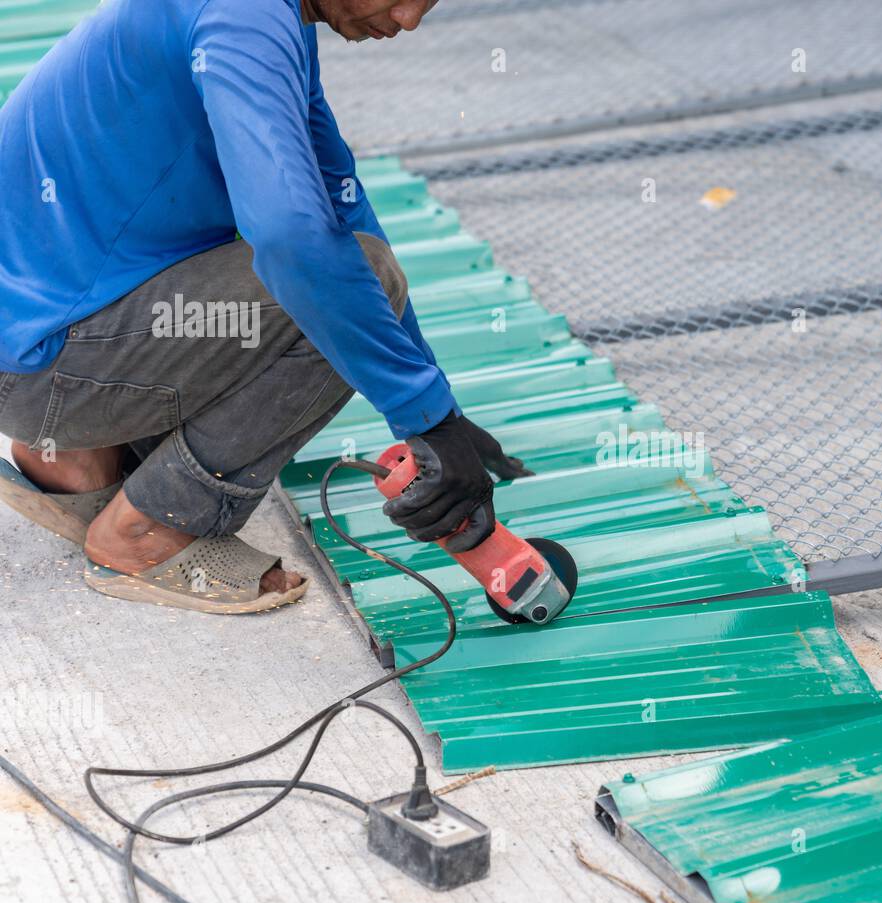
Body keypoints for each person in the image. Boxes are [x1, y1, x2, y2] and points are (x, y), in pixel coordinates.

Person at [0, 0, 525, 613]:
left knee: (329, 250)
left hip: (35, 328)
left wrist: (440, 412)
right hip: (39, 369)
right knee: (333, 277)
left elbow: (339, 199)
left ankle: (76, 458)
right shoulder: (244, 19)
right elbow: (297, 242)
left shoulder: (268, 17)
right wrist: (424, 417)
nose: (409, 19)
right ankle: (147, 531)